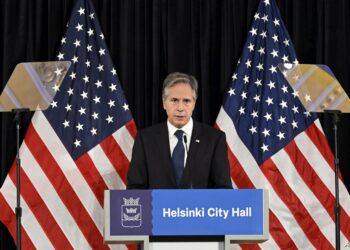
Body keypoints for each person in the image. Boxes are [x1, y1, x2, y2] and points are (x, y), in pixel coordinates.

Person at [127, 72, 232, 189]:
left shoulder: (214, 139)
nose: (180, 108)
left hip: (199, 207)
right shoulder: (145, 139)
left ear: (194, 103)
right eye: (174, 100)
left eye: (186, 101)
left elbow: (223, 189)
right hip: (157, 207)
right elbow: (135, 187)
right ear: (164, 102)